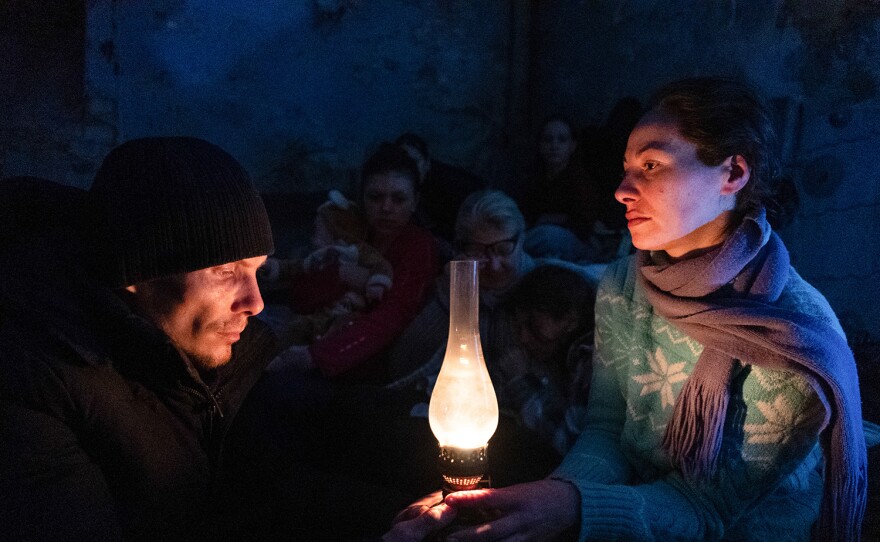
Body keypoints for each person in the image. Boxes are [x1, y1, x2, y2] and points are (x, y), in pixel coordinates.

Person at [402, 78, 868, 541]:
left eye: (651, 165)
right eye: (626, 168)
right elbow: (608, 430)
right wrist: (551, 498)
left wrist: (572, 506)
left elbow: (705, 508)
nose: (623, 190)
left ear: (733, 174)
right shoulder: (626, 282)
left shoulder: (794, 341)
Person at [0, 137, 278, 540]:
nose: (255, 303)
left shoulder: (209, 356)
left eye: (258, 270)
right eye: (225, 270)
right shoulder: (31, 386)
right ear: (138, 273)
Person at [271, 142, 438, 381]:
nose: (386, 208)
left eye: (399, 199)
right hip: (321, 332)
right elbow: (300, 296)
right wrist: (342, 275)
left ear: (415, 201)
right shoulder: (350, 231)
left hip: (374, 361)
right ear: (362, 198)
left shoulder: (418, 246)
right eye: (375, 197)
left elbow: (393, 316)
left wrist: (316, 356)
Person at [259, 189, 394, 346]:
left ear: (335, 228)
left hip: (342, 309)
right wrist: (273, 267)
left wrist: (377, 284)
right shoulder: (317, 257)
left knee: (339, 326)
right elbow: (296, 267)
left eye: (320, 226)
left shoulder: (354, 252)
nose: (314, 230)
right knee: (296, 328)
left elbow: (380, 265)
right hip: (315, 312)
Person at [395, 132, 486, 260]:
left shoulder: (452, 186)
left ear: (427, 163)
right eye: (403, 162)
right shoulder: (398, 185)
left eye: (415, 161)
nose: (410, 168)